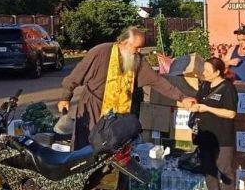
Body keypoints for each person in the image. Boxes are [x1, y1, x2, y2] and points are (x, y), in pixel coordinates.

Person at [58, 27, 195, 148]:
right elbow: (76, 75)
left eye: (141, 47)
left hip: (118, 113)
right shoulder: (100, 51)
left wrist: (182, 97)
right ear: (123, 43)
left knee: (112, 146)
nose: (139, 51)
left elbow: (157, 81)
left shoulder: (137, 60)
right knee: (87, 145)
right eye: (136, 47)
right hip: (93, 106)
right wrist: (65, 97)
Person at [190, 57, 239, 190]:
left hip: (223, 136)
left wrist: (207, 108)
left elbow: (231, 113)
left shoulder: (227, 88)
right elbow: (197, 103)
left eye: (207, 71)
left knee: (225, 170)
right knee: (209, 171)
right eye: (203, 69)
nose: (203, 73)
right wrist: (193, 105)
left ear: (217, 72)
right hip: (205, 136)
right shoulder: (204, 86)